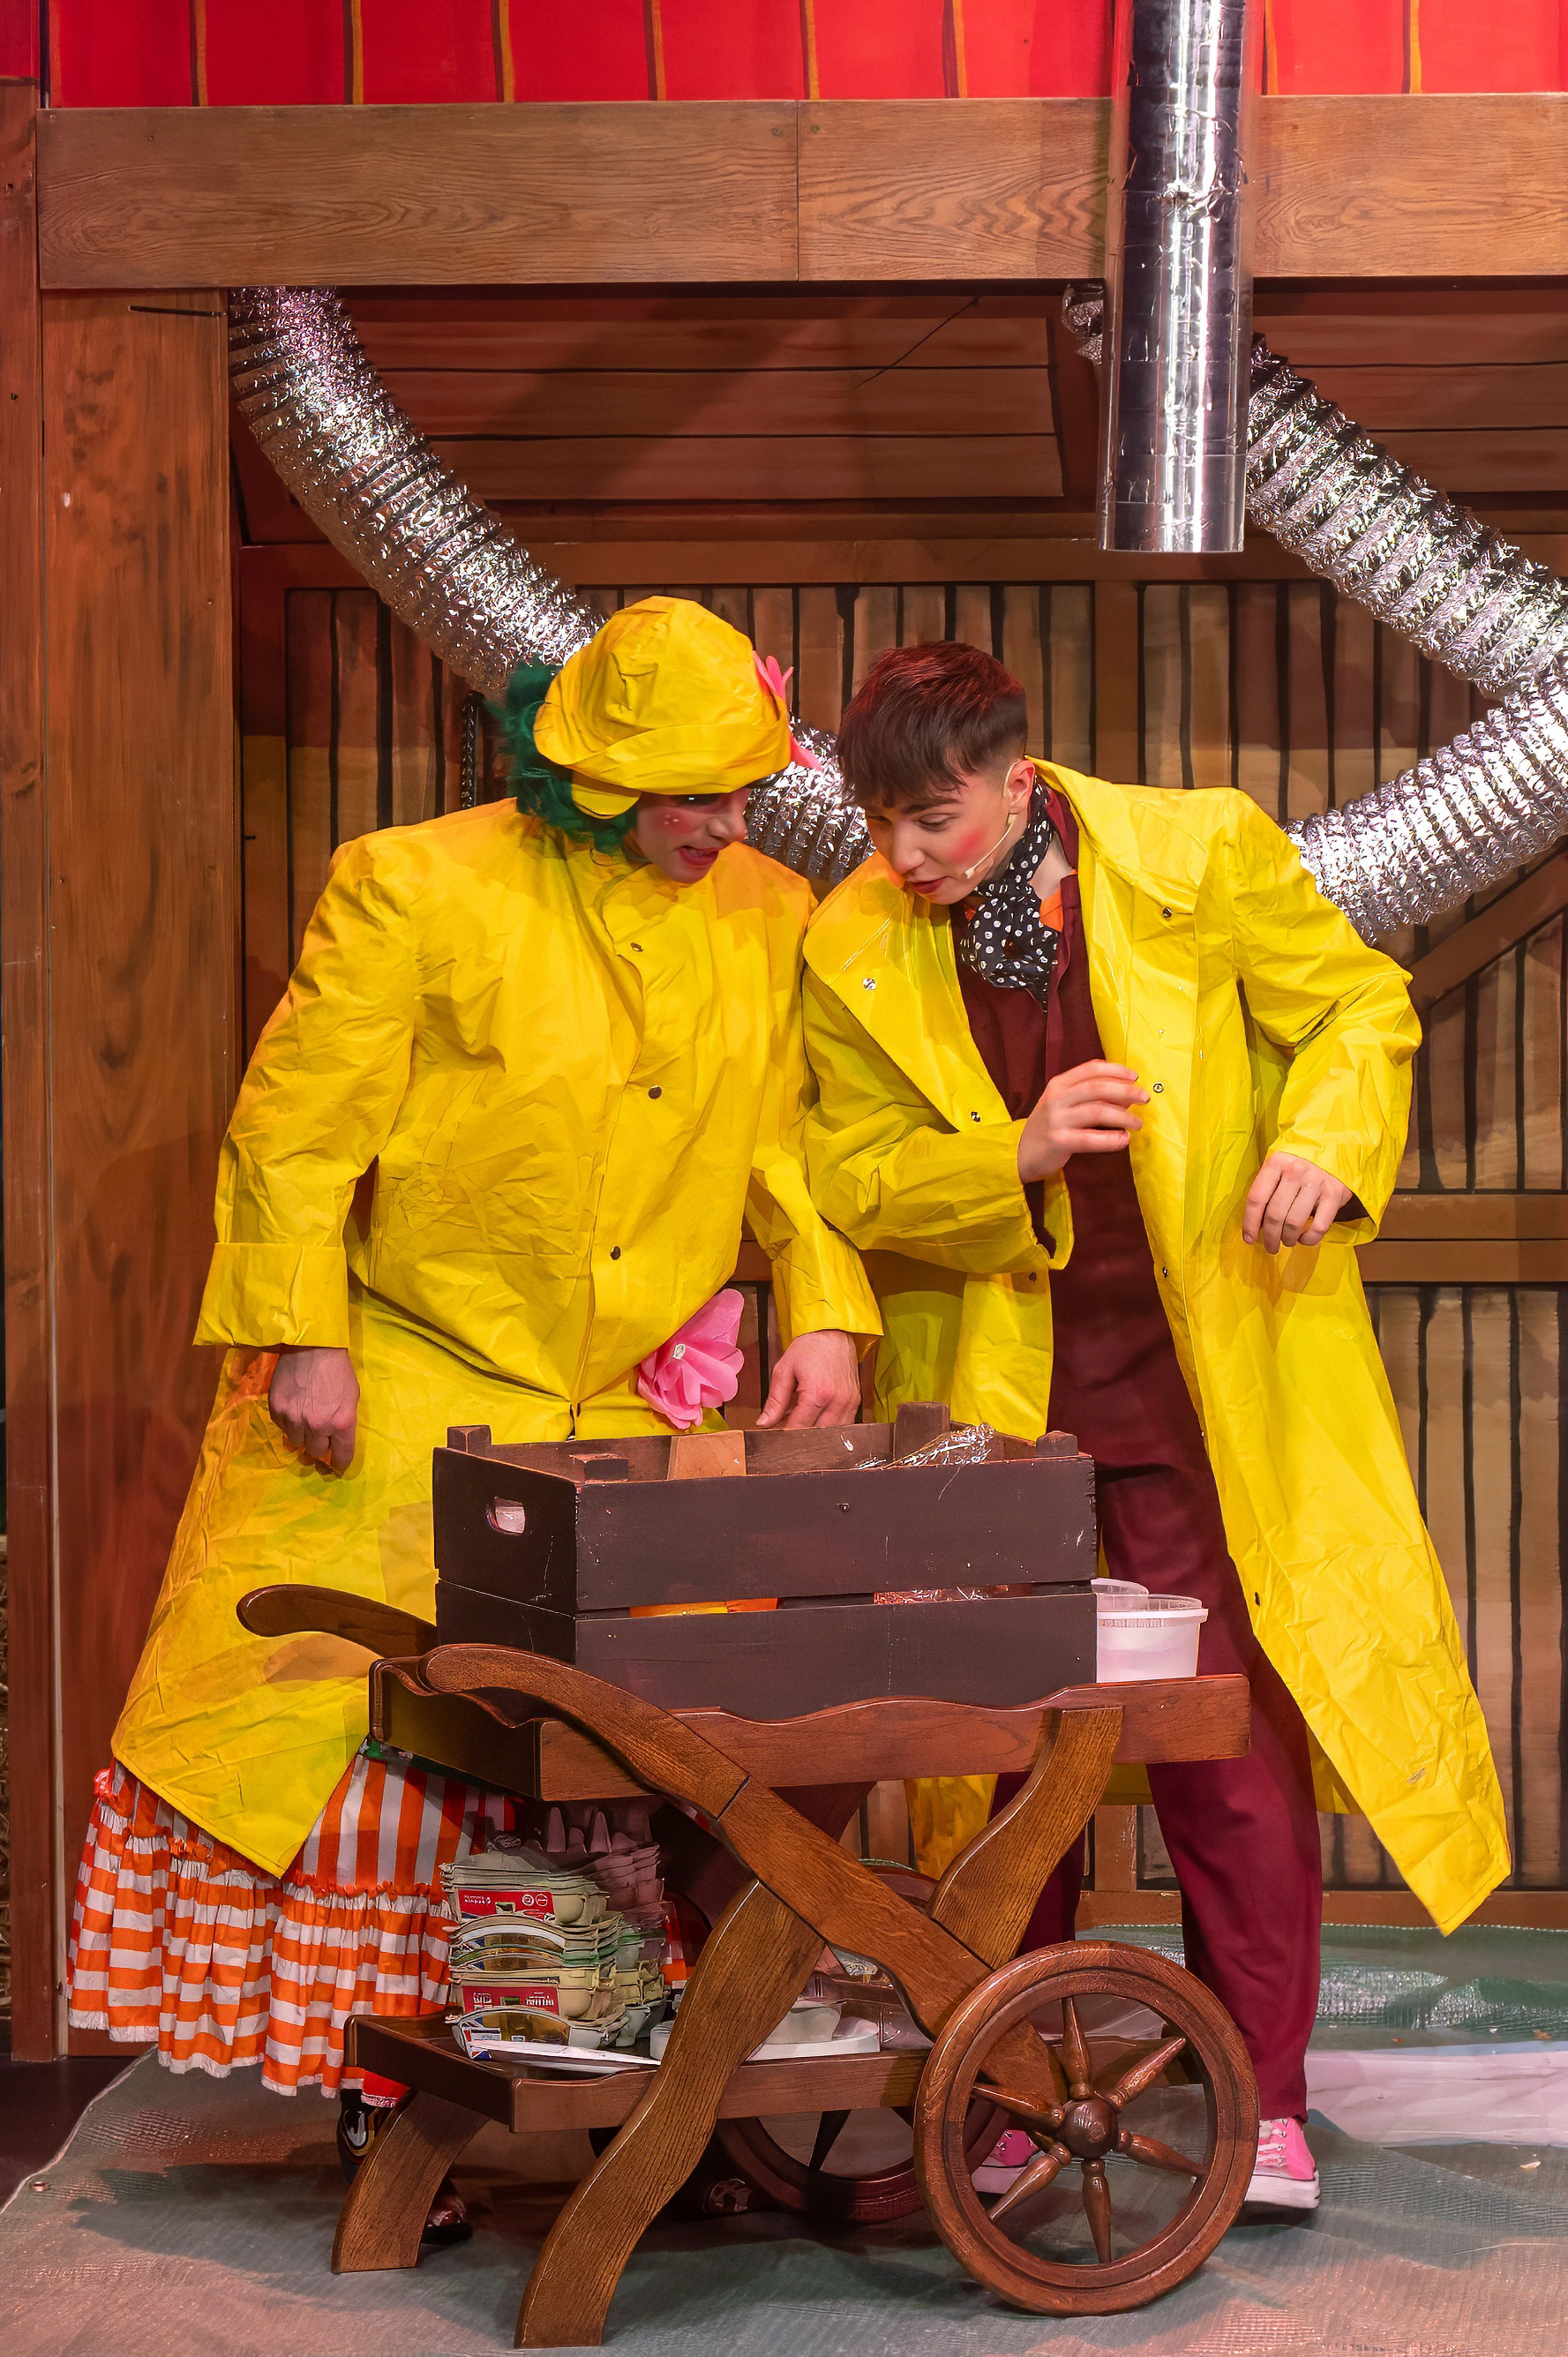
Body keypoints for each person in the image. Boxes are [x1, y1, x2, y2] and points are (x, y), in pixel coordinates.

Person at [67, 599, 876, 2218]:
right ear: (593, 779)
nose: (725, 825)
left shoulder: (771, 910)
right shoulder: (415, 884)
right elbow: (296, 1131)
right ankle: (390, 2115)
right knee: (369, 1747)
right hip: (408, 1371)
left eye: (743, 790)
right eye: (691, 798)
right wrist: (304, 1332)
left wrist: (830, 1305)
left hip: (621, 1403)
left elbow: (793, 1136)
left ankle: (651, 2099)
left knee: (649, 1749)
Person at [799, 640, 1509, 2212]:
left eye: (932, 819)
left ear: (1012, 779)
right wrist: (1013, 1152)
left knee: (1221, 1743)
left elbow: (1357, 1010)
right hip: (997, 1405)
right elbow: (847, 1170)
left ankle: (1260, 2102)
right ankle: (1004, 2079)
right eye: (881, 823)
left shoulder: (1197, 849)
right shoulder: (850, 938)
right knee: (996, 1758)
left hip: (1199, 1388)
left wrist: (1323, 1142)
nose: (903, 855)